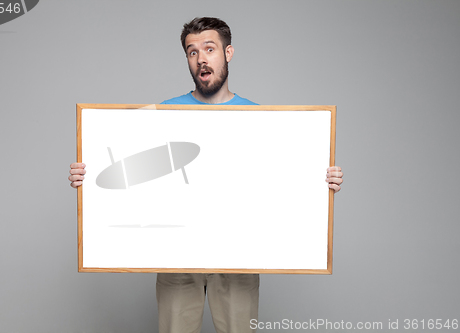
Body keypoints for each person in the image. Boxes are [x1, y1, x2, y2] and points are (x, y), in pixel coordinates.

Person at [69, 17, 344, 333]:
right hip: (176, 254)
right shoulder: (162, 114)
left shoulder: (261, 118)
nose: (201, 58)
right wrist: (87, 179)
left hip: (239, 255)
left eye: (209, 49)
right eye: (192, 51)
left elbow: (282, 184)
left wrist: (321, 180)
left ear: (228, 53)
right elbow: (124, 171)